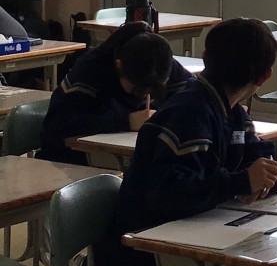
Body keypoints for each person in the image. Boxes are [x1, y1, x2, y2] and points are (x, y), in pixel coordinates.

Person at [115, 18, 277, 266]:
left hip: (198, 246)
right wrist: (242, 181)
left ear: (205, 57)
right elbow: (169, 194)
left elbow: (257, 150)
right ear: (264, 77)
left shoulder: (231, 110)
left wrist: (265, 170)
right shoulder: (189, 111)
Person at [36, 21, 193, 166]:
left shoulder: (161, 64)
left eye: (153, 92)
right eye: (138, 90)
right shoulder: (91, 68)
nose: (146, 96)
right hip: (72, 161)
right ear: (119, 66)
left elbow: (194, 102)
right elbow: (56, 126)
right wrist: (127, 121)